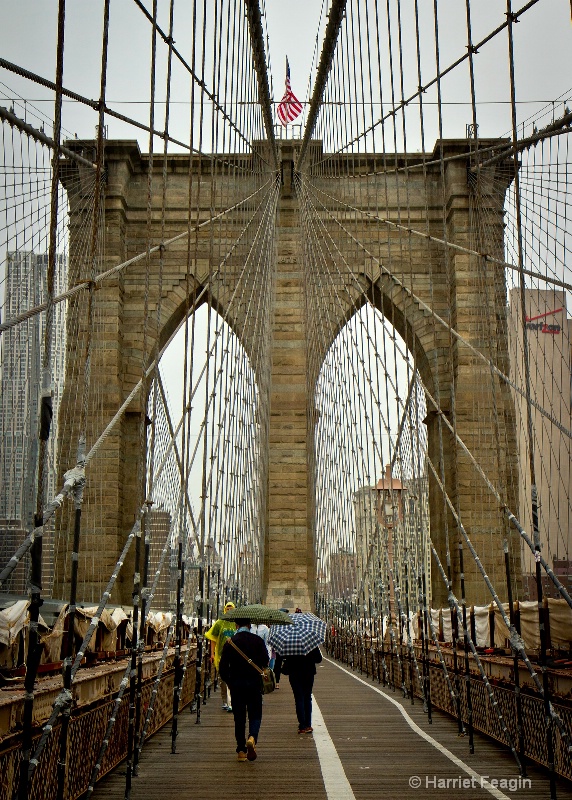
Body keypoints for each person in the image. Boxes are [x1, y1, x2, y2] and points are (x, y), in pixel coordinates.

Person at [219, 618, 269, 762]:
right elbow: (265, 661)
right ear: (249, 625)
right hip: (254, 684)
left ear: (236, 625)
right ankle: (252, 737)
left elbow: (223, 668)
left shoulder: (230, 642)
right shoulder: (257, 640)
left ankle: (241, 750)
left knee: (239, 717)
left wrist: (229, 682)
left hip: (236, 685)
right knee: (255, 714)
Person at [205, 601, 236, 712]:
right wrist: (212, 653)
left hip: (235, 656)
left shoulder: (236, 622)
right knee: (223, 680)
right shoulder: (219, 623)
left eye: (231, 608)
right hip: (221, 655)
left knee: (233, 679)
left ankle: (231, 702)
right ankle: (225, 700)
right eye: (227, 608)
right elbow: (212, 638)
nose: (229, 610)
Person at [284, 646, 322, 733]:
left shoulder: (290, 642)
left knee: (299, 698)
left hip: (294, 673)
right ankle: (308, 725)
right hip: (308, 672)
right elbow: (319, 659)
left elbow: (283, 656)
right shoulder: (310, 643)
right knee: (307, 697)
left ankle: (302, 726)